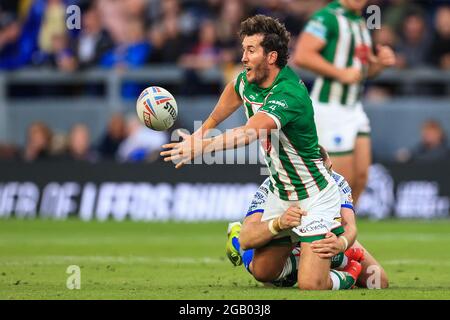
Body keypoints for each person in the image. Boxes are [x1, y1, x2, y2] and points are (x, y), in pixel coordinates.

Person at [162, 15, 352, 290]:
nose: (243, 57)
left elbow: (249, 132)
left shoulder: (288, 93)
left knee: (311, 285)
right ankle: (302, 251)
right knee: (262, 271)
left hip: (314, 196)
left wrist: (200, 147)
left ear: (271, 56)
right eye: (244, 49)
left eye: (251, 50)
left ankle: (348, 271)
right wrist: (200, 133)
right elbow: (234, 91)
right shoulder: (249, 81)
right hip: (280, 192)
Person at [226, 146, 388, 289]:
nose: (330, 177)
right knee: (264, 273)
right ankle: (337, 263)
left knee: (377, 281)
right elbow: (248, 234)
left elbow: (350, 226)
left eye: (329, 170)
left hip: (324, 233)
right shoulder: (273, 186)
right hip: (287, 237)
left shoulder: (337, 181)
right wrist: (278, 223)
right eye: (324, 173)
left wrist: (341, 243)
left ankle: (320, 263)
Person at [293, 0, 396, 205]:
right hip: (331, 109)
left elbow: (361, 73)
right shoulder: (327, 17)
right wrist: (339, 73)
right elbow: (302, 55)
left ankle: (345, 229)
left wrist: (379, 65)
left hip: (354, 108)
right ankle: (329, 230)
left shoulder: (359, 22)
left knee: (360, 178)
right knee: (340, 181)